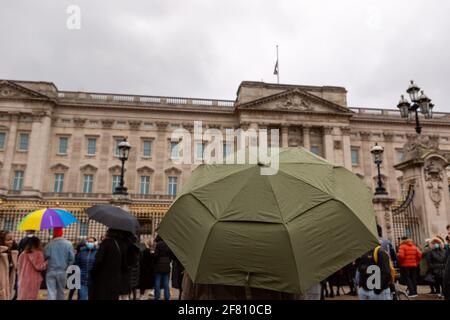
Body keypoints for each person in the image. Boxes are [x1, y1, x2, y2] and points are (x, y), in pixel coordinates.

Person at [89, 229, 139, 300]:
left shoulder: (106, 243)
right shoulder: (124, 244)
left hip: (103, 278)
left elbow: (98, 260)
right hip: (117, 278)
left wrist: (93, 272)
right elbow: (127, 263)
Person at [44, 227, 75, 300]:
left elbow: (45, 256)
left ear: (54, 234)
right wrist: (67, 267)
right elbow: (72, 259)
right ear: (62, 233)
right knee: (61, 291)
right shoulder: (68, 244)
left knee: (51, 291)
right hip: (63, 271)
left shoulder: (49, 244)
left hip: (51, 270)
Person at [0, 230, 19, 300]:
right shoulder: (2, 253)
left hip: (8, 285)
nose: (11, 241)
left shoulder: (13, 253)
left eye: (12, 239)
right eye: (8, 240)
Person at [153, 235, 173, 300]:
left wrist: (155, 261)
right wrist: (168, 260)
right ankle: (167, 297)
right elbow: (171, 255)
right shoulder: (168, 244)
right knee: (166, 282)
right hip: (166, 265)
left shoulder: (158, 244)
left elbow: (156, 255)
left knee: (157, 282)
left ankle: (157, 296)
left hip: (158, 265)